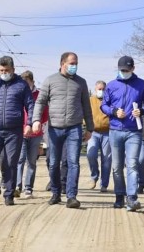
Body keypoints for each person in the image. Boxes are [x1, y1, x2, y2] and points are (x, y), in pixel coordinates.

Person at [32, 51, 94, 209]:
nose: (74, 66)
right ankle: (55, 192)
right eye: (72, 63)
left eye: (76, 63)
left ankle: (72, 196)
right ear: (62, 63)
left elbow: (87, 106)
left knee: (73, 162)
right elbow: (40, 102)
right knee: (53, 163)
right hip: (54, 129)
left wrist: (90, 128)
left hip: (74, 128)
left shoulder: (81, 82)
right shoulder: (50, 81)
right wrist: (36, 120)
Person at [0, 56, 34, 206]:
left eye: (6, 70)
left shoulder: (21, 85)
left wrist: (29, 123)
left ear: (13, 70)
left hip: (14, 131)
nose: (4, 73)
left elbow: (30, 105)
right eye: (1, 70)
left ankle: (9, 194)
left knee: (10, 163)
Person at [101, 56, 144, 212]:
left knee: (132, 164)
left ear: (133, 69)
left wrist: (143, 110)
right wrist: (114, 111)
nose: (124, 72)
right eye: (121, 70)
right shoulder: (111, 86)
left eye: (127, 70)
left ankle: (132, 198)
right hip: (115, 130)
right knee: (117, 166)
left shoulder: (141, 85)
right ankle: (119, 196)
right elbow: (104, 105)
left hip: (134, 132)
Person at [15, 70, 49, 199]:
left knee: (31, 161)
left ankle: (28, 188)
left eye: (27, 83)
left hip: (35, 134)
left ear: (32, 82)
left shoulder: (39, 95)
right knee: (20, 160)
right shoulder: (18, 94)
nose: (25, 85)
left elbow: (45, 112)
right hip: (21, 132)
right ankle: (18, 187)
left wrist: (38, 124)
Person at [86, 80, 111, 192]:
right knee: (91, 154)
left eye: (103, 89)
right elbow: (85, 113)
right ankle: (94, 176)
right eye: (99, 89)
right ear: (95, 89)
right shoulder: (90, 100)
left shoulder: (110, 101)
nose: (101, 91)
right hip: (93, 132)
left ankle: (104, 184)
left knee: (106, 159)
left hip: (108, 133)